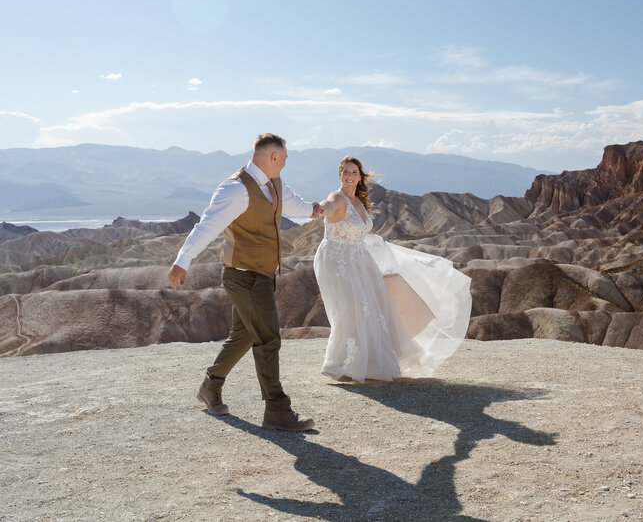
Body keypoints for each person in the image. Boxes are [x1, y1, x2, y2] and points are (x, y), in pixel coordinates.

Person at [168, 133, 320, 431]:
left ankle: (210, 387)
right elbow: (207, 226)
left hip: (263, 273)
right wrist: (182, 260)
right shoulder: (236, 189)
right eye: (285, 158)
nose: (286, 163)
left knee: (245, 335)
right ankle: (276, 409)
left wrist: (316, 211)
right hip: (242, 274)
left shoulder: (273, 183)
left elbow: (294, 204)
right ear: (273, 157)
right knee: (268, 337)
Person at [313, 155, 472, 382]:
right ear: (339, 175)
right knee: (351, 308)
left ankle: (369, 363)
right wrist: (319, 208)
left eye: (353, 173)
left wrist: (379, 239)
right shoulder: (336, 198)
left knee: (372, 306)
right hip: (338, 260)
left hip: (359, 258)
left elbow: (363, 228)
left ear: (360, 178)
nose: (349, 176)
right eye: (345, 172)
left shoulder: (358, 203)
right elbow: (327, 206)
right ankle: (343, 363)